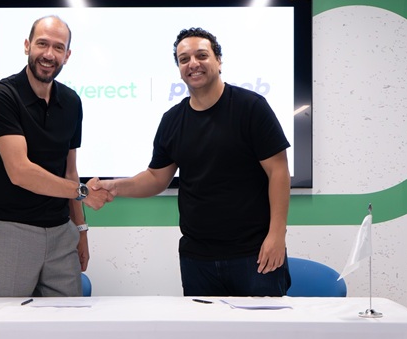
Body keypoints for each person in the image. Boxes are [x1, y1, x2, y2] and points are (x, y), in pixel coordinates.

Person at [89, 27, 291, 297]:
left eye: (201, 55)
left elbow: (278, 171)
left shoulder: (251, 107)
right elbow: (156, 178)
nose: (193, 64)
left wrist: (277, 235)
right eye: (184, 59)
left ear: (219, 61)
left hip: (253, 254)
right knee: (202, 327)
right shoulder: (172, 120)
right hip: (197, 259)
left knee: (264, 326)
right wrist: (115, 186)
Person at [0, 15, 112, 297]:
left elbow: (70, 171)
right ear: (27, 45)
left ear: (67, 55)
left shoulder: (71, 101)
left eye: (58, 47)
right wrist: (83, 192)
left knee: (69, 321)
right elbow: (20, 172)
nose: (49, 54)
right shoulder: (2, 96)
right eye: (42, 44)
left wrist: (81, 230)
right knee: (3, 320)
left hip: (62, 234)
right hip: (11, 232)